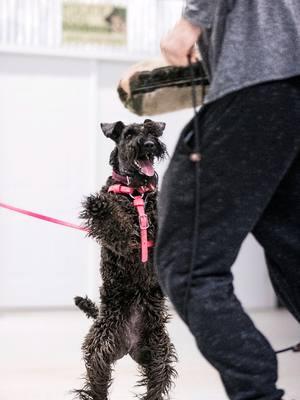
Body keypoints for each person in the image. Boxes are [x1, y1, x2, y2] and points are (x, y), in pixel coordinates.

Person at [155, 1, 300, 400]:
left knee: (187, 265)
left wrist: (190, 22)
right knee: (292, 251)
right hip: (284, 86)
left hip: (259, 79)